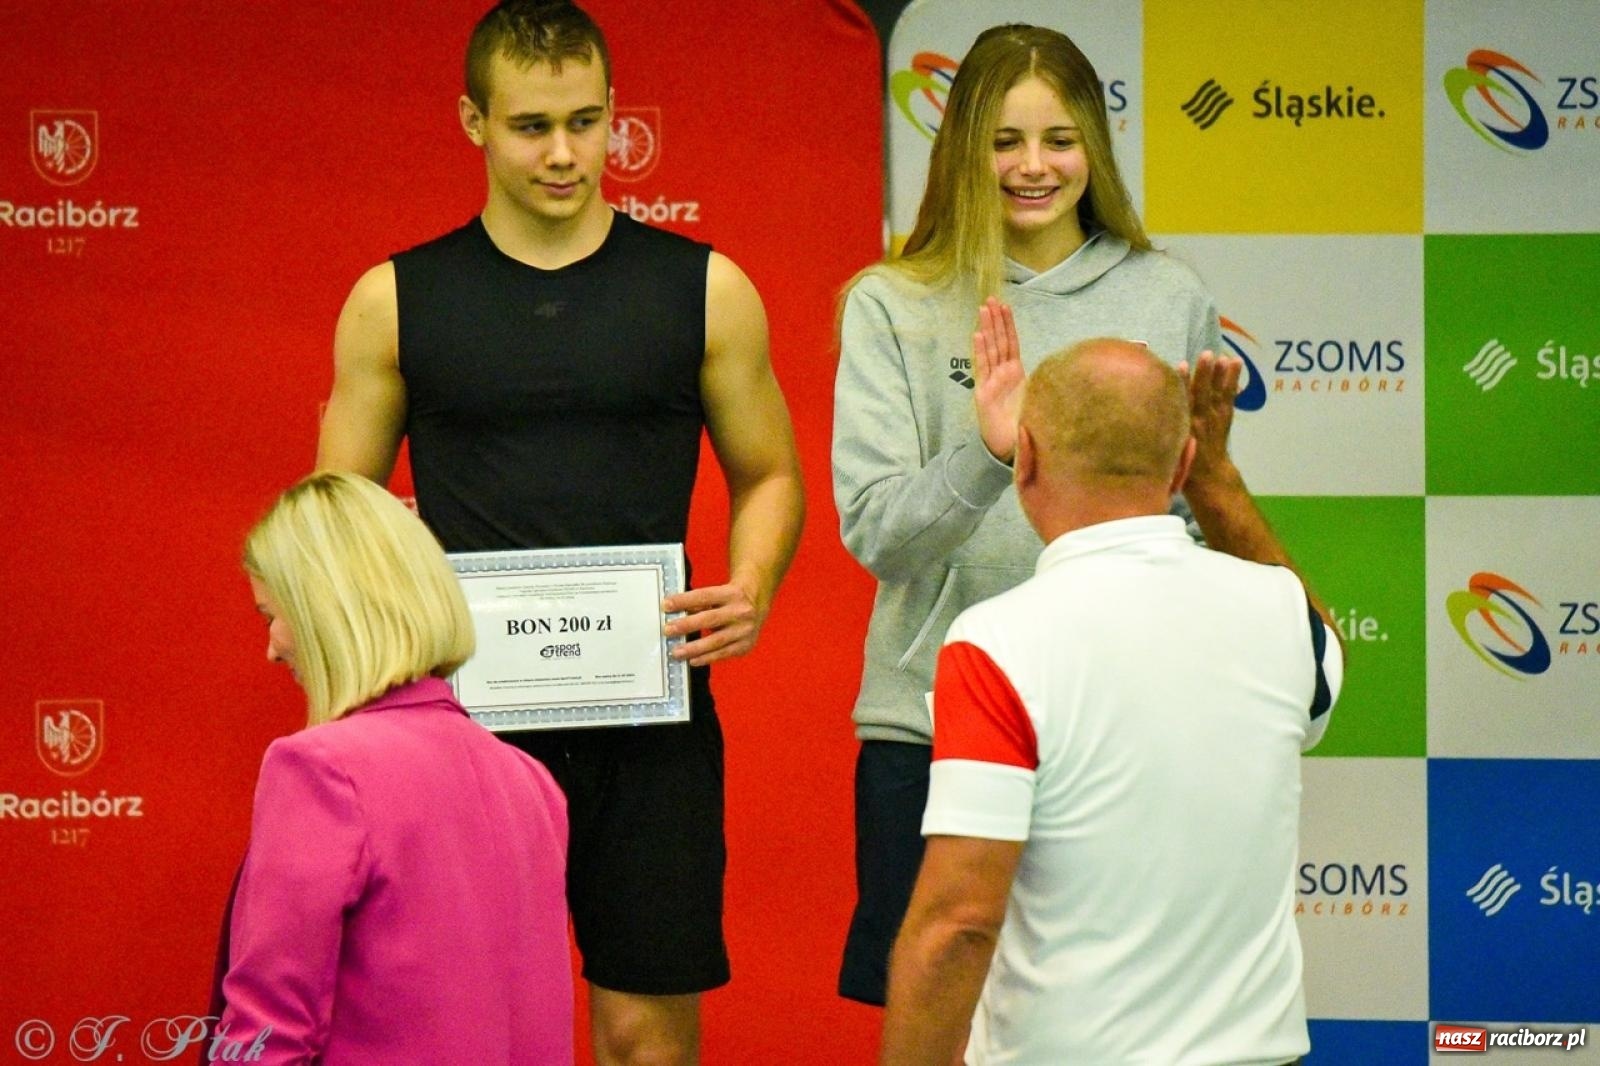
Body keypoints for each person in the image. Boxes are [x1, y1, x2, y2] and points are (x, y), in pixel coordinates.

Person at [314, 2, 805, 1061]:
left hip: (655, 715)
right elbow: (331, 516)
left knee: (645, 1033)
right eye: (532, 125)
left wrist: (752, 582)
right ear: (472, 121)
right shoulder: (393, 300)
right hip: (460, 726)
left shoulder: (704, 290)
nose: (564, 152)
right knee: (467, 1028)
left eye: (586, 122)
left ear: (614, 114)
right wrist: (383, 553)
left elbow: (770, 473)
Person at [832, 22, 1222, 1006]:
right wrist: (992, 450)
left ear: (1095, 143)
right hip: (930, 725)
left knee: (1118, 1016)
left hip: (1120, 725)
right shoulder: (893, 301)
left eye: (1058, 138)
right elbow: (878, 531)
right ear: (962, 146)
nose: (1034, 166)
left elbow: (1187, 520)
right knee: (943, 1021)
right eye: (1005, 140)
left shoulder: (1164, 294)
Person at [878, 340, 1343, 1065]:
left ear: (1023, 456)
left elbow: (959, 924)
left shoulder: (997, 643)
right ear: (1183, 466)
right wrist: (1219, 481)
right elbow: (1324, 656)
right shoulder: (1281, 610)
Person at [220, 472, 572, 1065]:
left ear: (326, 612)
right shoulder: (530, 781)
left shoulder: (318, 768)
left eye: (269, 615)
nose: (272, 646)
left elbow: (270, 1028)